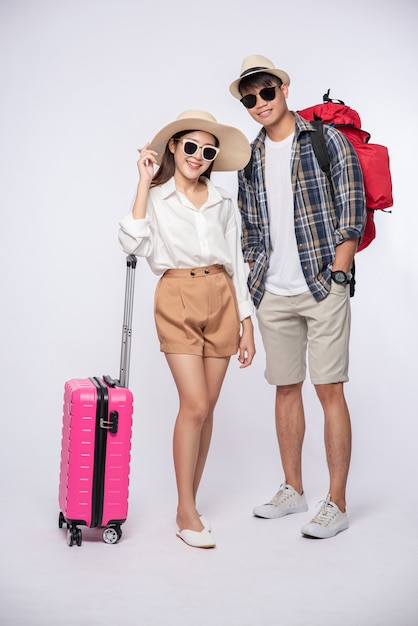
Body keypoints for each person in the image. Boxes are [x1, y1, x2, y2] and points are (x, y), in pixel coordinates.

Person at [229, 55, 366, 538]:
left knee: (329, 389)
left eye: (266, 92)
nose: (259, 103)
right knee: (285, 388)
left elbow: (353, 207)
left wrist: (339, 273)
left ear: (284, 88)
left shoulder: (325, 140)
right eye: (250, 99)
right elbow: (248, 224)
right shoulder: (249, 157)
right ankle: (293, 489)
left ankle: (337, 502)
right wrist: (255, 272)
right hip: (273, 291)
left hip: (322, 285)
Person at [118, 110, 256, 549]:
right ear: (173, 147)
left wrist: (247, 322)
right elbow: (132, 242)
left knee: (208, 407)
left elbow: (236, 262)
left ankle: (188, 504)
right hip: (177, 295)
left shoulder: (222, 202)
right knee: (193, 404)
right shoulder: (156, 199)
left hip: (223, 296)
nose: (198, 156)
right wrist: (143, 180)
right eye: (190, 146)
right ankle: (185, 512)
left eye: (207, 150)